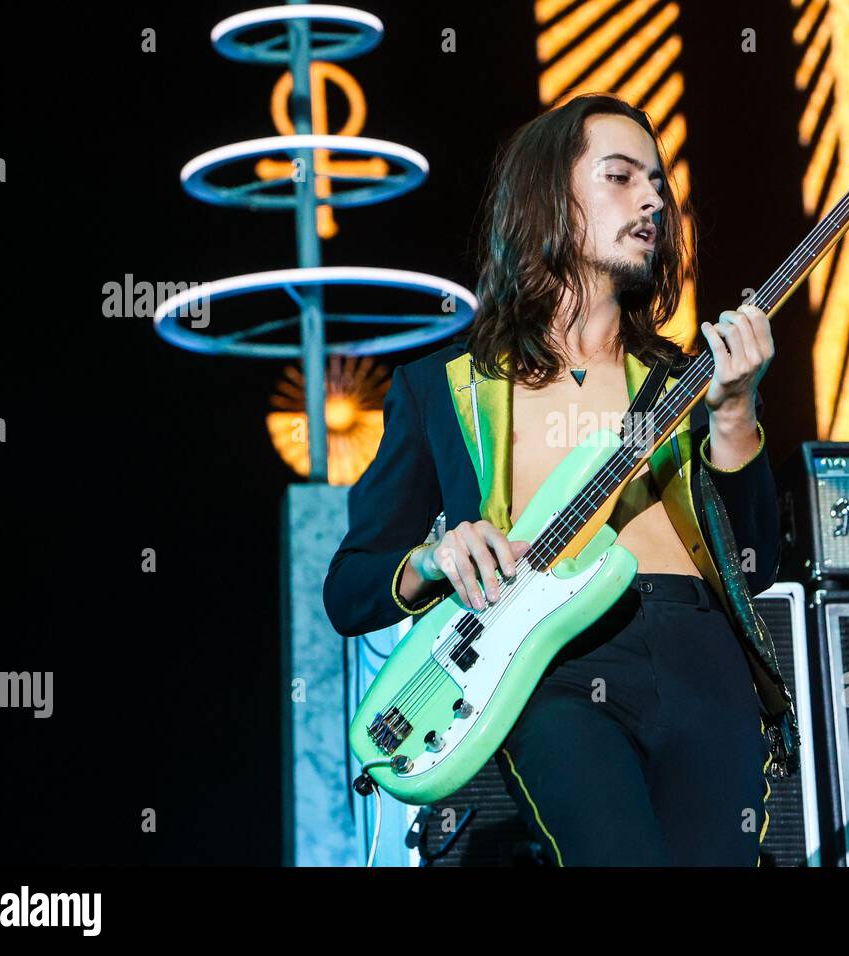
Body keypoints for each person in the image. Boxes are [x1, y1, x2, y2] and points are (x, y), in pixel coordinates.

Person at [324, 92, 796, 866]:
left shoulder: (687, 381)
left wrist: (738, 412)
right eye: (619, 177)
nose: (652, 199)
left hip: (702, 658)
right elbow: (350, 587)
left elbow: (755, 565)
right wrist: (435, 559)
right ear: (549, 197)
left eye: (658, 185)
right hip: (554, 669)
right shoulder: (444, 390)